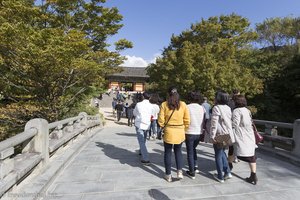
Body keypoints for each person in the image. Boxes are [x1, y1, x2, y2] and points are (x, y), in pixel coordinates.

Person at [158, 86, 190, 182]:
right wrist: (185, 128)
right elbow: (187, 119)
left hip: (169, 130)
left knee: (168, 153)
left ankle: (168, 175)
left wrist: (163, 126)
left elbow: (160, 120)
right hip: (180, 130)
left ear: (169, 94)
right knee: (178, 151)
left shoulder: (164, 104)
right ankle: (179, 172)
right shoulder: (183, 104)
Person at [232, 95, 258, 185]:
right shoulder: (247, 110)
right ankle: (253, 175)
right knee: (252, 156)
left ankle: (228, 168)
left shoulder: (236, 111)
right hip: (249, 134)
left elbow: (235, 124)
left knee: (235, 151)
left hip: (241, 134)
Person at [210, 90, 235, 183]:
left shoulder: (216, 108)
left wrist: (212, 136)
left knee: (218, 154)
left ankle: (220, 176)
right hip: (228, 134)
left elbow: (214, 124)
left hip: (220, 135)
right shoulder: (228, 108)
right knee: (222, 153)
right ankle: (228, 172)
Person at [185, 91, 206, 179]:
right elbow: (205, 119)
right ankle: (195, 165)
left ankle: (191, 171)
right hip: (199, 131)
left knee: (190, 151)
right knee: (194, 149)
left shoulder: (187, 107)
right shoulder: (202, 108)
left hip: (189, 131)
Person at [133, 92, 153, 165]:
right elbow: (152, 115)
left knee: (141, 141)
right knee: (143, 139)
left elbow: (134, 113)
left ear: (143, 97)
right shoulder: (152, 106)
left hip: (139, 124)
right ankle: (141, 151)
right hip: (147, 124)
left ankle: (146, 158)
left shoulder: (138, 104)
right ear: (149, 97)